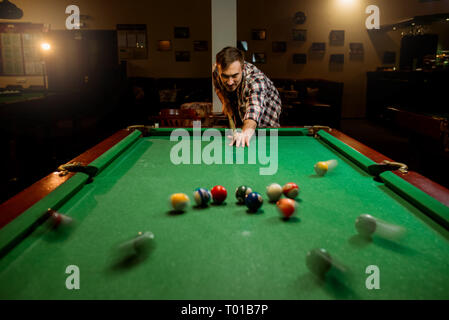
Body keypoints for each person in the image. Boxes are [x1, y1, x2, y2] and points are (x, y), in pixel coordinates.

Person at [212, 46, 282, 147]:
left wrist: (245, 133)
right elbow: (218, 88)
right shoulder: (216, 71)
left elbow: (254, 110)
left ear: (243, 68)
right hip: (242, 106)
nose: (230, 82)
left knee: (263, 148)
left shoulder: (256, 80)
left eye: (235, 76)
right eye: (225, 76)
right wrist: (225, 102)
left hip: (266, 116)